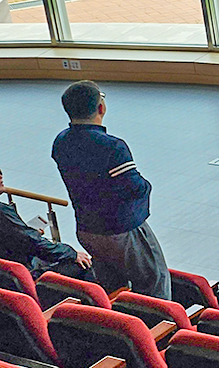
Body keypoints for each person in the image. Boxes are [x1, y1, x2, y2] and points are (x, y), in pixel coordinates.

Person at [50, 81, 171, 298]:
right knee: (154, 281)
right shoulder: (112, 146)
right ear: (101, 108)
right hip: (121, 230)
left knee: (110, 284)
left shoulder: (60, 141)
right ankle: (159, 327)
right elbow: (134, 187)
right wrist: (146, 186)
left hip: (87, 229)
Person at [0, 155, 93, 280]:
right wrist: (72, 253)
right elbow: (35, 245)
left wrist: (28, 233)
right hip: (18, 278)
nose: (0, 176)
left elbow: (14, 239)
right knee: (82, 264)